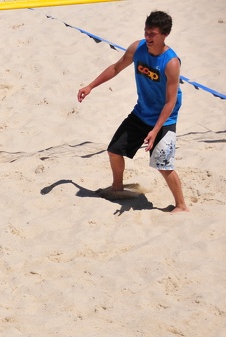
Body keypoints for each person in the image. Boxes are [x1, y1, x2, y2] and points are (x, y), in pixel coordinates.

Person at [77, 10, 188, 213]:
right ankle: (117, 187)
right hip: (141, 112)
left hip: (164, 119)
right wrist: (90, 86)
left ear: (165, 34)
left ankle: (181, 205)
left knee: (163, 165)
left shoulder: (171, 63)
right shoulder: (138, 48)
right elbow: (116, 67)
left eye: (152, 34)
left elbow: (170, 103)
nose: (148, 37)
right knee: (113, 151)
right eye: (146, 32)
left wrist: (155, 130)